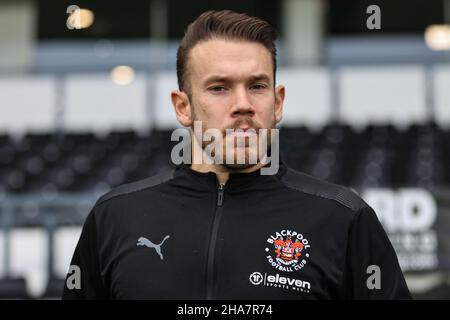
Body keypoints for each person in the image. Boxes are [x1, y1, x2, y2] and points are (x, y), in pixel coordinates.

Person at [62, 10, 411, 300]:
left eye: (257, 86)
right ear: (183, 107)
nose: (242, 104)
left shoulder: (344, 218)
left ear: (277, 103)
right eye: (219, 88)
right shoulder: (114, 217)